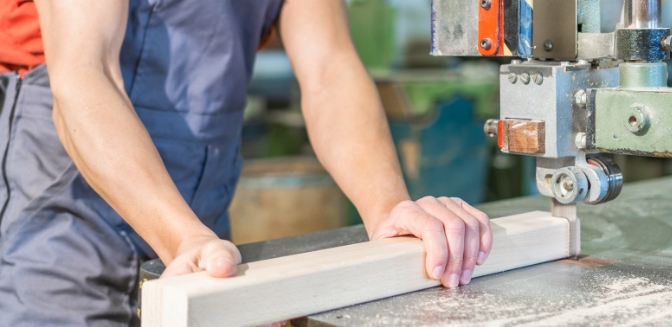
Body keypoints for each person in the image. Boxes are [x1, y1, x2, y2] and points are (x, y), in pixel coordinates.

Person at [0, 0, 493, 325]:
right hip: (68, 205)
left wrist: (387, 206)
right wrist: (181, 238)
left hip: (201, 216)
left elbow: (329, 71)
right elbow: (85, 74)